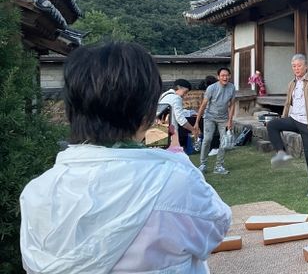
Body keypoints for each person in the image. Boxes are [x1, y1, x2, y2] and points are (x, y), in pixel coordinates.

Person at [20, 42, 232, 273]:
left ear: (72, 110)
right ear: (147, 111)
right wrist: (176, 156)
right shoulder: (177, 182)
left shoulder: (37, 192)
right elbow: (216, 227)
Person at [267, 53, 308, 197]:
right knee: (272, 125)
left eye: (299, 65)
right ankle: (281, 153)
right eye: (294, 66)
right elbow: (287, 103)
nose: (296, 68)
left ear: (306, 66)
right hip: (294, 120)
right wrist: (283, 118)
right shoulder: (292, 84)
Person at [195, 67, 235, 174]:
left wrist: (230, 120)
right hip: (210, 117)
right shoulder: (211, 88)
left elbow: (232, 105)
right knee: (207, 139)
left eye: (227, 75)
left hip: (224, 118)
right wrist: (197, 122)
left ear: (230, 76)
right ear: (218, 77)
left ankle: (219, 166)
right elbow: (203, 105)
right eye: (222, 75)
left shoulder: (232, 87)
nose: (225, 77)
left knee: (224, 141)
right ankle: (202, 164)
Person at [159, 78, 199, 149]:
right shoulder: (176, 98)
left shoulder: (164, 95)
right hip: (171, 132)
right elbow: (181, 119)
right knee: (173, 153)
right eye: (185, 92)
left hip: (160, 129)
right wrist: (192, 130)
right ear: (179, 87)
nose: (185, 95)